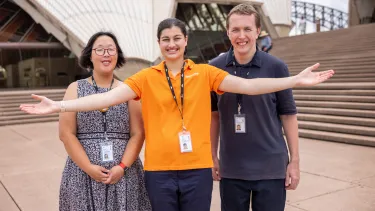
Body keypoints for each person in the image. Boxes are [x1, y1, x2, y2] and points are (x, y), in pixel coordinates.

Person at [20, 18, 334, 211]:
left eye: (177, 38)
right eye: (165, 39)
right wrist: (59, 106)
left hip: (197, 169)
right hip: (159, 172)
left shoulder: (205, 73)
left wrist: (294, 81)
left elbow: (249, 86)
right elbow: (110, 96)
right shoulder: (145, 77)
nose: (172, 44)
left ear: (185, 42)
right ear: (159, 43)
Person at [210, 4, 299, 211]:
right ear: (228, 32)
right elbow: (213, 116)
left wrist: (294, 161)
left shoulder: (277, 67)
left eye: (247, 29)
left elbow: (288, 116)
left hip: (271, 169)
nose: (242, 36)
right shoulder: (214, 67)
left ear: (258, 31)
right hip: (231, 170)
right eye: (236, 30)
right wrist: (212, 155)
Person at [58, 31, 151, 211]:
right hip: (82, 175)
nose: (106, 54)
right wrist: (89, 167)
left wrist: (122, 167)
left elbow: (138, 133)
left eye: (111, 49)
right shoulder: (75, 89)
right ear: (90, 56)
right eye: (100, 50)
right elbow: (66, 134)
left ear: (118, 55)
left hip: (125, 175)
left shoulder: (129, 90)